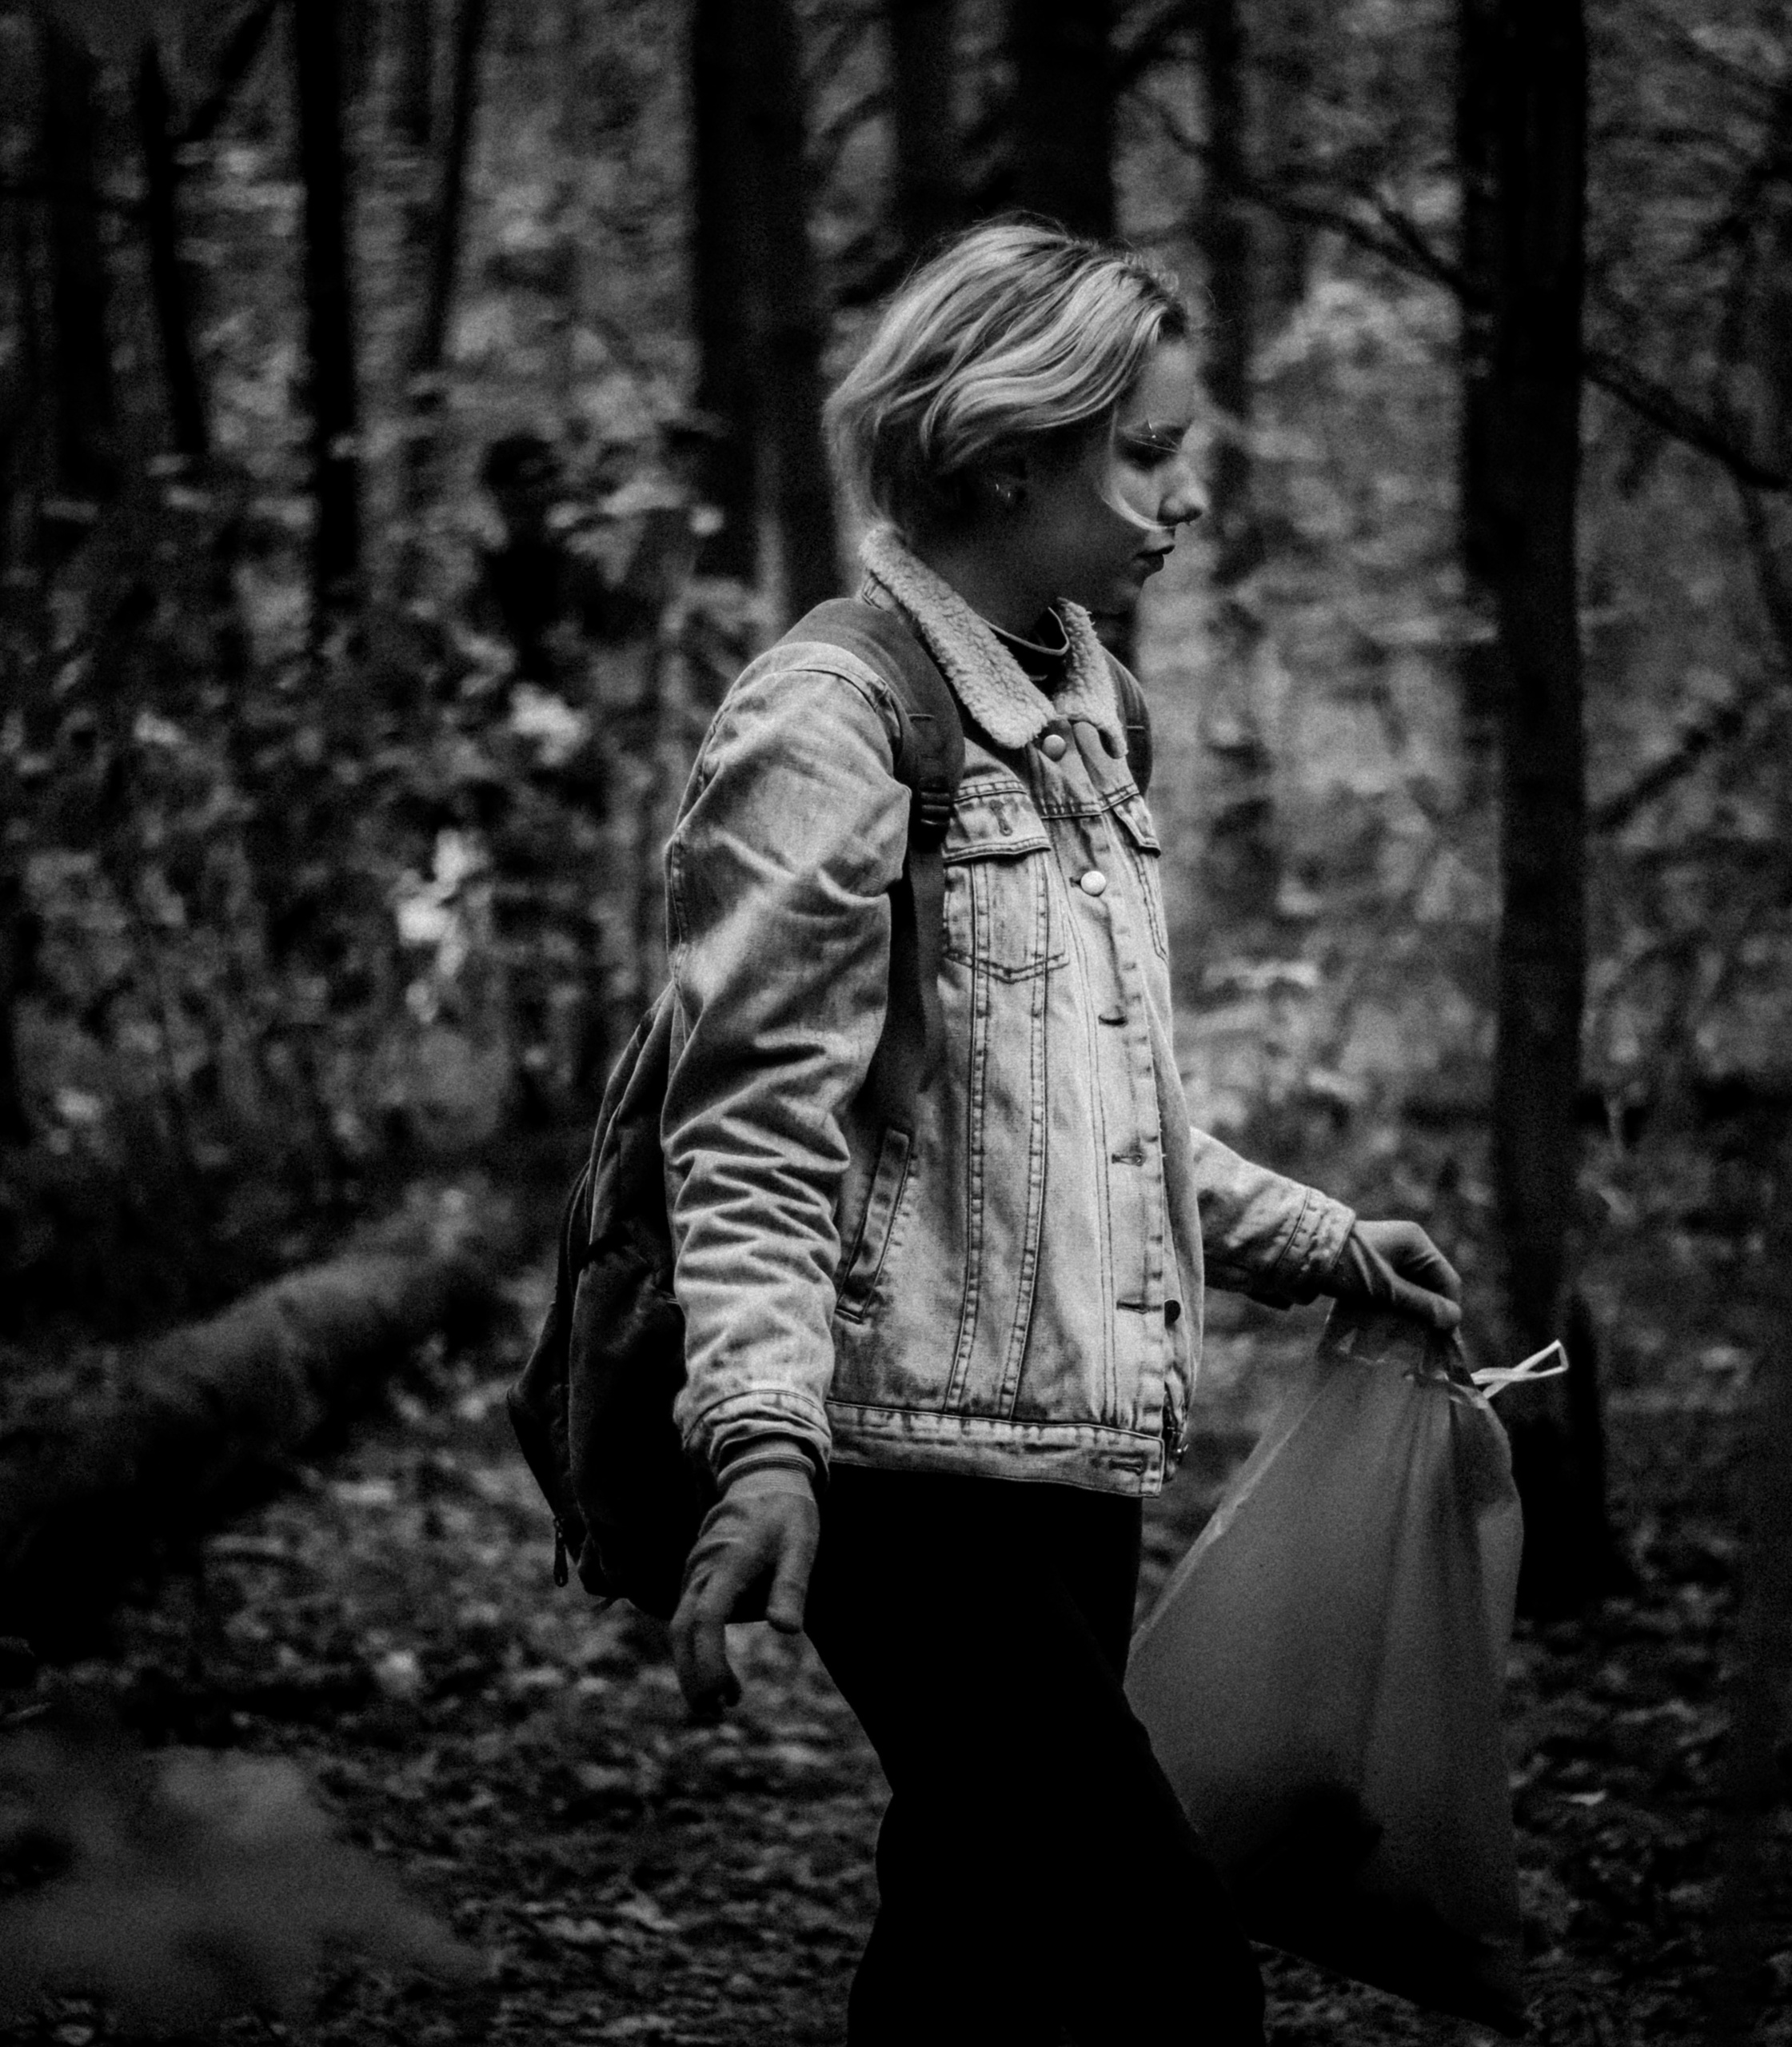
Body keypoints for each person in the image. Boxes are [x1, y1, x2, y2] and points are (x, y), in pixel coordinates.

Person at [658, 221, 1463, 2046]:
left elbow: (1085, 1118)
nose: (1179, 500)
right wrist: (766, 1440)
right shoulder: (828, 716)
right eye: (1147, 455)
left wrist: (1319, 1239)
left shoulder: (1093, 715)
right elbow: (752, 1127)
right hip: (898, 1468)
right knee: (1162, 1972)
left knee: (971, 1942)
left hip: (1067, 1451)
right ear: (1006, 446)